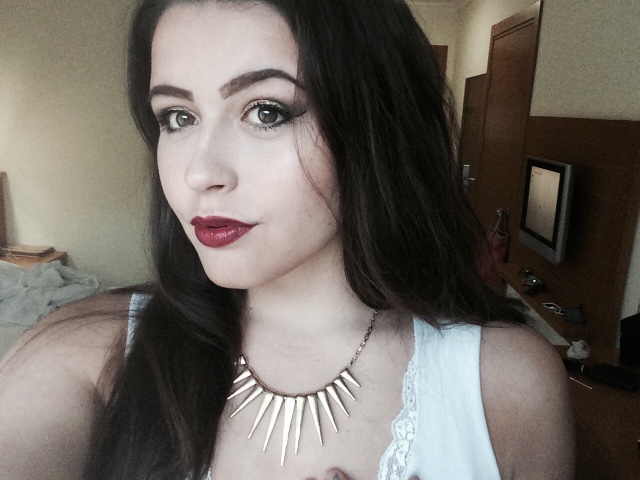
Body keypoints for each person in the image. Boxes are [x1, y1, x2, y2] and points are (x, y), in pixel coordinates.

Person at [0, 0, 574, 478]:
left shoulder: (506, 386)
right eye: (177, 117)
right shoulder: (83, 353)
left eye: (267, 112)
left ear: (373, 123)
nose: (201, 173)